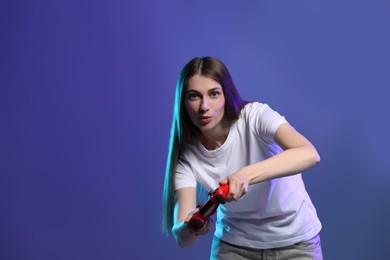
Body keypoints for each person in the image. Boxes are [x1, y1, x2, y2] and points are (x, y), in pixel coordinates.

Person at [162, 56, 323, 260]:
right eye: (194, 96)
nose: (204, 106)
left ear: (226, 96)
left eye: (213, 94)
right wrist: (191, 226)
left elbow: (309, 153)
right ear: (183, 103)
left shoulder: (255, 116)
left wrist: (245, 175)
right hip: (234, 247)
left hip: (296, 242)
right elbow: (184, 239)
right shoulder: (186, 157)